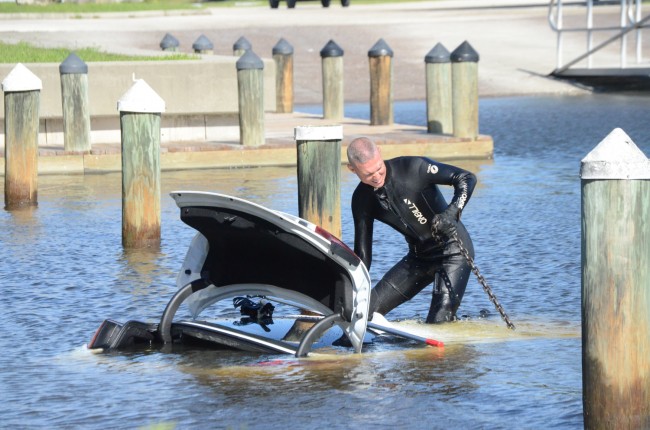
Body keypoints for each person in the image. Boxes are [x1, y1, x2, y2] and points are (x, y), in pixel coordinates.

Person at [346, 136, 477, 323]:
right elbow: (363, 257)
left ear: (380, 153)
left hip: (454, 251)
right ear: (352, 169)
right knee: (362, 314)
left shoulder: (414, 167)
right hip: (419, 258)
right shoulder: (361, 200)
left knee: (438, 321)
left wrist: (452, 212)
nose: (376, 177)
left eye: (378, 169)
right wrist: (346, 291)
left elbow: (466, 178)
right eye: (368, 174)